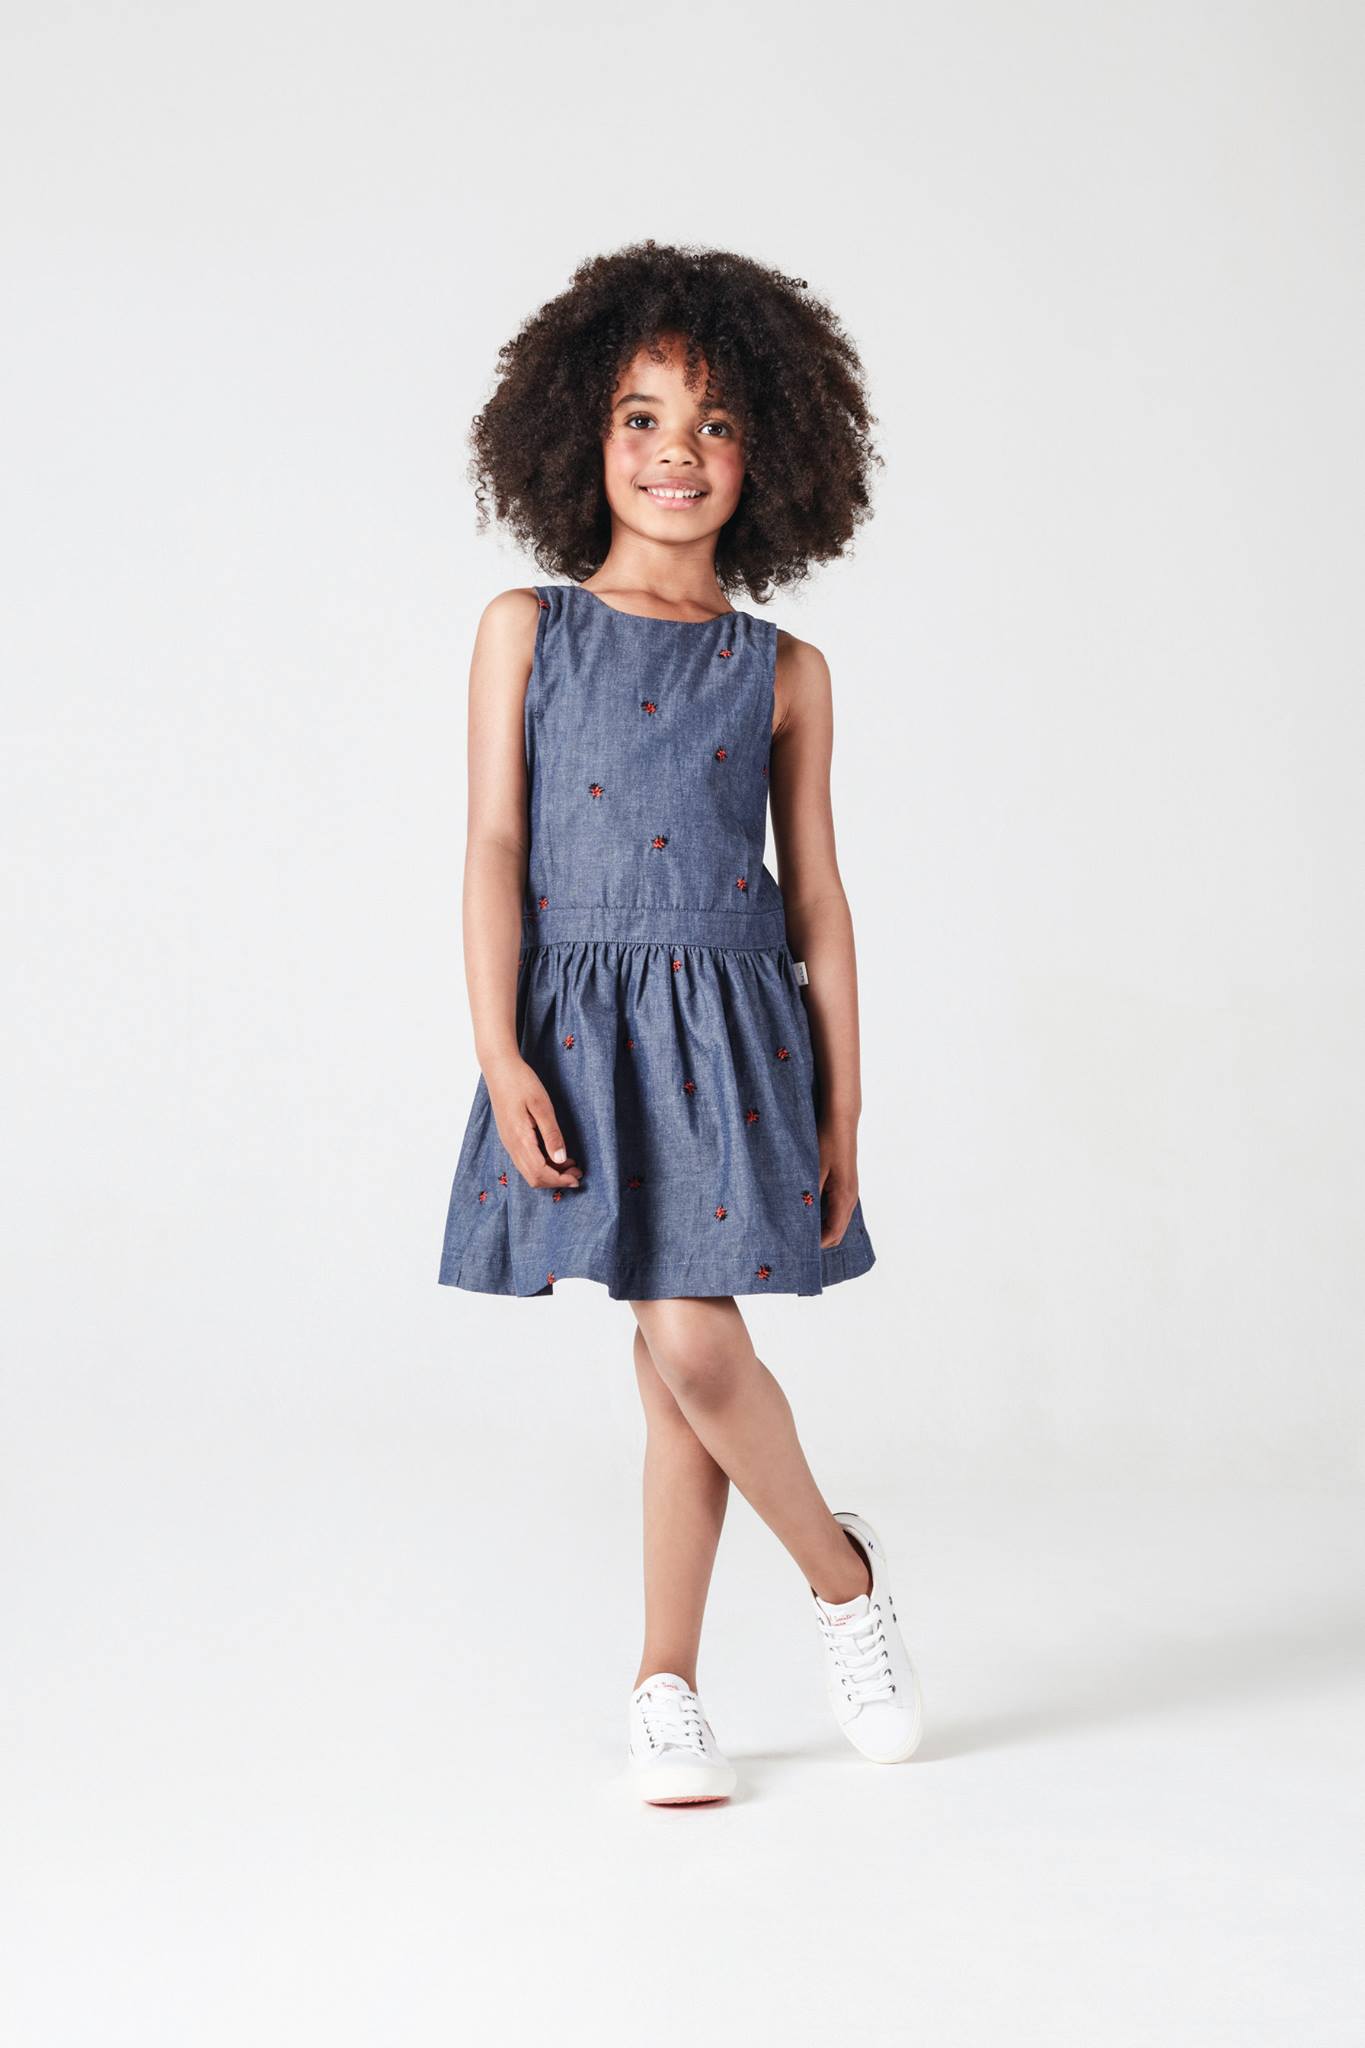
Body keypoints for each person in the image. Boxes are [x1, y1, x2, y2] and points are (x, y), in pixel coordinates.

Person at [437, 241, 923, 1803]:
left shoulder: (782, 670)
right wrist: (498, 1047)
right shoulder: (525, 629)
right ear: (579, 434)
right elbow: (493, 845)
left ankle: (731, 1645)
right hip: (580, 1028)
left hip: (730, 1038)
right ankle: (769, 1618)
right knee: (683, 1357)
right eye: (641, 418)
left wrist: (844, 1108)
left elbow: (818, 898)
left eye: (714, 424)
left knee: (688, 1362)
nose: (675, 452)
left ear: (767, 454)